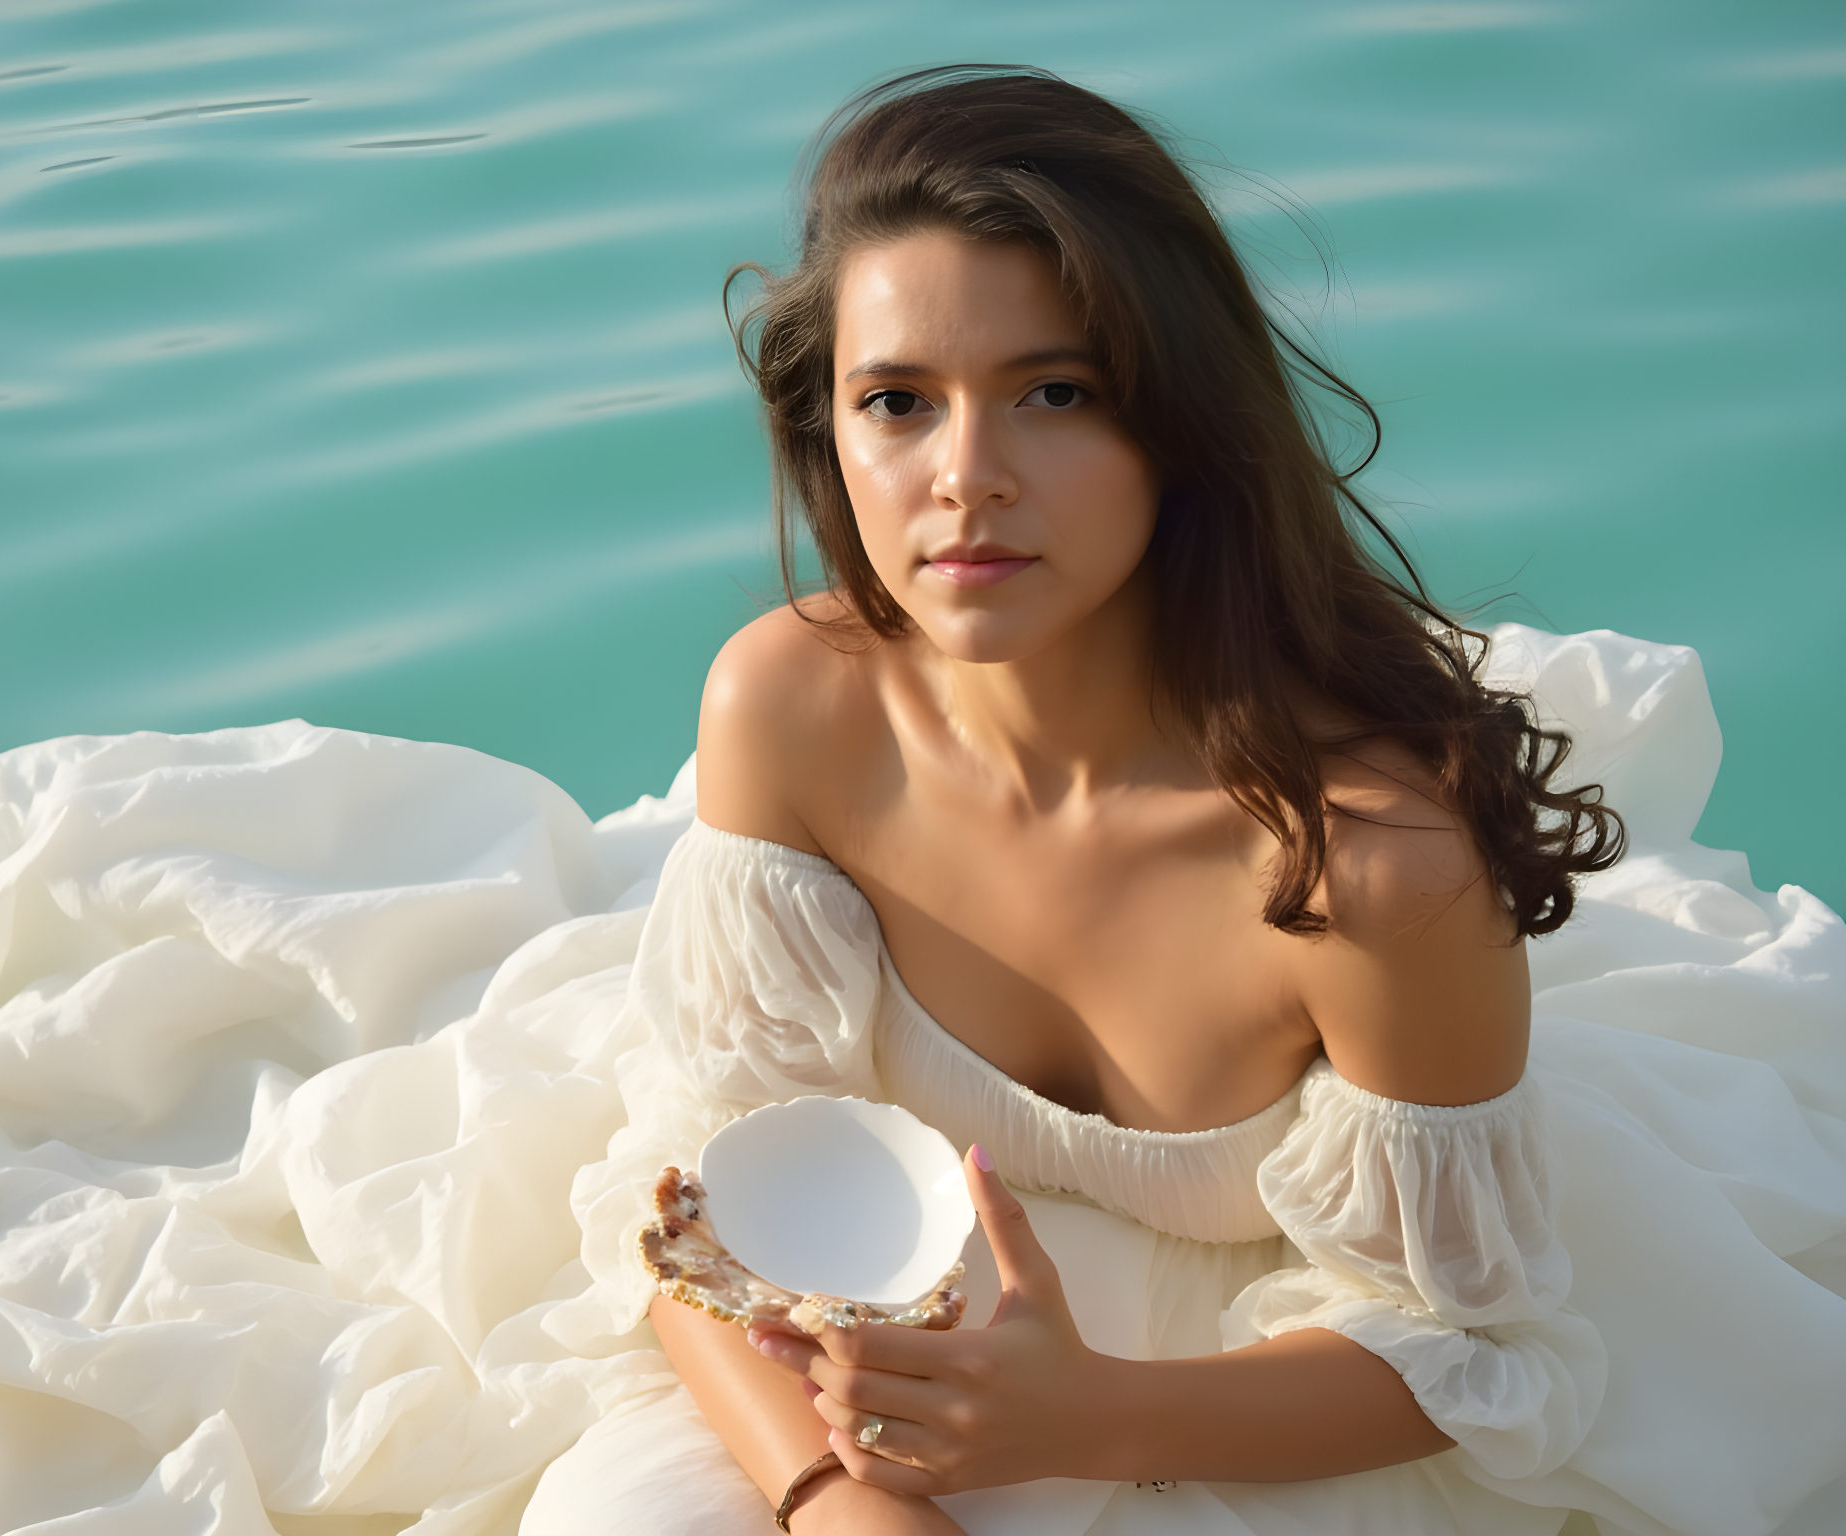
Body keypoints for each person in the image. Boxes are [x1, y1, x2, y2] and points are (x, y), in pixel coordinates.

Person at [526, 66, 1651, 1534]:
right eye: (899, 403)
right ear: (831, 436)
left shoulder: (1368, 867)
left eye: (1056, 393)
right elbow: (692, 1201)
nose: (967, 480)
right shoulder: (790, 710)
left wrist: (1089, 1417)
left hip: (1252, 1396)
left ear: (1179, 430)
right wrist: (831, 1501)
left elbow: (1480, 1359)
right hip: (860, 1359)